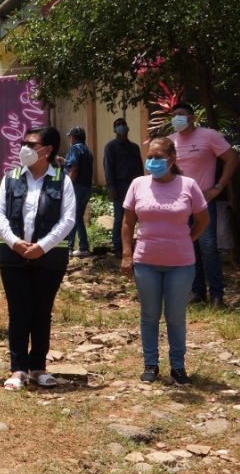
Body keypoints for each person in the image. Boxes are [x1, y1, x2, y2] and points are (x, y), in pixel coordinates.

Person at [120, 138, 210, 385]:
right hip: (146, 262)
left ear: (171, 160)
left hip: (180, 264)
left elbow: (203, 219)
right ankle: (151, 364)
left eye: (158, 157)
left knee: (175, 316)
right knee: (149, 315)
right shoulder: (138, 184)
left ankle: (178, 366)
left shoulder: (188, 185)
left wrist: (187, 239)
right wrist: (127, 254)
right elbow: (127, 223)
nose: (152, 162)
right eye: (149, 156)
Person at [0, 127, 77, 390]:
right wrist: (15, 242)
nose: (24, 148)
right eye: (23, 143)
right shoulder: (11, 177)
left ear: (47, 150)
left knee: (42, 311)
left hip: (48, 259)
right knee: (18, 311)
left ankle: (38, 367)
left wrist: (43, 246)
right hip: (13, 256)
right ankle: (18, 368)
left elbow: (68, 219)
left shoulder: (62, 180)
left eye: (31, 144)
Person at [169, 102, 239, 308]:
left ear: (192, 118)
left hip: (203, 202)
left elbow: (232, 158)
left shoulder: (208, 136)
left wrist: (218, 187)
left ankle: (217, 295)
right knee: (188, 247)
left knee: (208, 247)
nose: (176, 118)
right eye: (174, 115)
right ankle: (197, 291)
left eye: (181, 114)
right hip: (180, 204)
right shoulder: (170, 142)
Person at [103, 118, 143, 256]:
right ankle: (117, 245)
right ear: (114, 130)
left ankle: (132, 243)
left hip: (134, 186)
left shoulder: (134, 147)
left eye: (123, 125)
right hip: (119, 186)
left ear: (128, 128)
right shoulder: (111, 147)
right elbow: (108, 168)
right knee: (120, 217)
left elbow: (139, 167)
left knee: (136, 216)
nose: (121, 127)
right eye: (118, 125)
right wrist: (111, 187)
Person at [64, 126, 95, 257]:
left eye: (70, 136)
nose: (69, 139)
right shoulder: (87, 150)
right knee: (76, 216)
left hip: (76, 187)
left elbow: (74, 167)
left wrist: (68, 185)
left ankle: (83, 246)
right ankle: (70, 247)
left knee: (75, 216)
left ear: (74, 137)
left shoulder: (75, 149)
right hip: (86, 187)